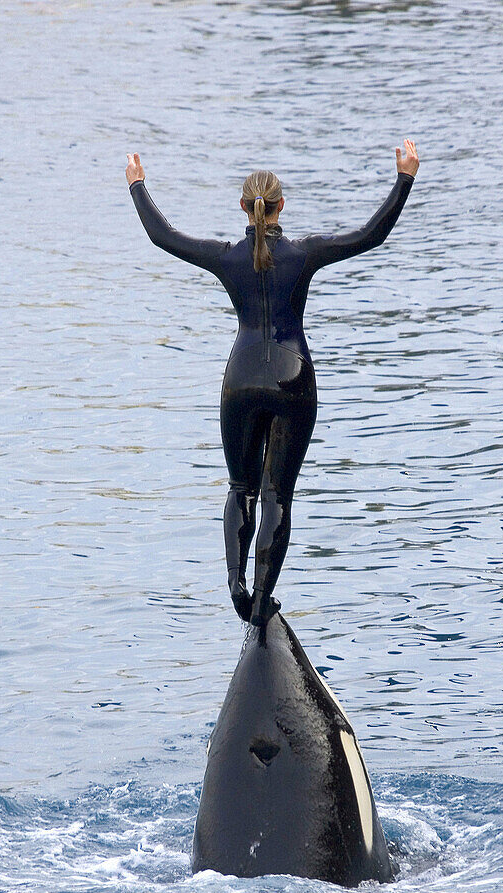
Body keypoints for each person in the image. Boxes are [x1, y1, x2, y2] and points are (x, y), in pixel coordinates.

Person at [126, 140, 419, 628]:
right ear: (282, 206)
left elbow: (163, 236)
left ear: (244, 208)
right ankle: (263, 599)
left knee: (241, 487)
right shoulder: (305, 254)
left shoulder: (225, 257)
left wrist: (137, 185)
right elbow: (372, 235)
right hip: (291, 378)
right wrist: (404, 178)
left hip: (240, 381)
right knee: (275, 495)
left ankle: (237, 585)